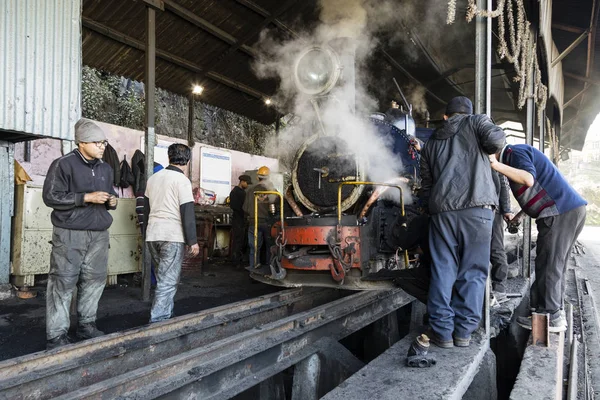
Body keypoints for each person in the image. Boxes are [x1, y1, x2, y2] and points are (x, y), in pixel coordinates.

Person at [418, 96, 505, 348]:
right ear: (467, 113)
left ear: (445, 117)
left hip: (442, 214)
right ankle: (463, 333)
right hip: (477, 210)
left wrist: (431, 207)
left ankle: (442, 332)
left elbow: (426, 185)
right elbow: (497, 141)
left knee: (442, 270)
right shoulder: (476, 122)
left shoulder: (432, 141)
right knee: (473, 272)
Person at [489, 143, 586, 332]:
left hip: (559, 212)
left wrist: (495, 164)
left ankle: (550, 317)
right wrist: (517, 217)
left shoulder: (514, 152)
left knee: (549, 264)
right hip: (569, 210)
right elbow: (538, 189)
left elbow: (528, 179)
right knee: (555, 264)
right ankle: (549, 312)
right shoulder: (515, 155)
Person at [42, 118, 118, 349]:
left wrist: (111, 201)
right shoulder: (63, 164)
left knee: (94, 280)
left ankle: (86, 326)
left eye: (104, 142)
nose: (102, 146)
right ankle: (56, 336)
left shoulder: (105, 168)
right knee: (63, 281)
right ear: (82, 143)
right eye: (97, 143)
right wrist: (85, 197)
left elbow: (108, 194)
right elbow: (50, 197)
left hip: (98, 233)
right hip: (70, 233)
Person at [144, 144, 200, 323]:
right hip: (171, 236)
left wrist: (146, 232)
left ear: (169, 157)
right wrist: (193, 241)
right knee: (168, 281)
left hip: (153, 234)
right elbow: (187, 212)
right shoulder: (181, 180)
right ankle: (159, 321)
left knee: (163, 278)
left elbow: (145, 210)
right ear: (188, 161)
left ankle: (165, 314)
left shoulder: (153, 178)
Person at [243, 166, 275, 268]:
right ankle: (270, 268)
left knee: (254, 248)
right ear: (268, 178)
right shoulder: (272, 191)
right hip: (268, 223)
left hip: (253, 222)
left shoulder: (250, 191)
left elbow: (245, 208)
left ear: (257, 177)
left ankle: (254, 267)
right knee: (270, 246)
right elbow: (278, 206)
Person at [490, 170, 514, 300]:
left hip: (493, 209)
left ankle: (499, 287)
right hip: (476, 208)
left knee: (495, 248)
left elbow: (503, 183)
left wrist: (506, 209)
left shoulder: (492, 158)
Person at [229, 175, 252, 263]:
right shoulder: (241, 193)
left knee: (237, 240)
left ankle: (235, 259)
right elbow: (243, 207)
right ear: (242, 182)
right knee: (239, 240)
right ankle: (236, 260)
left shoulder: (234, 191)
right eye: (246, 183)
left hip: (236, 218)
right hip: (240, 219)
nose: (247, 185)